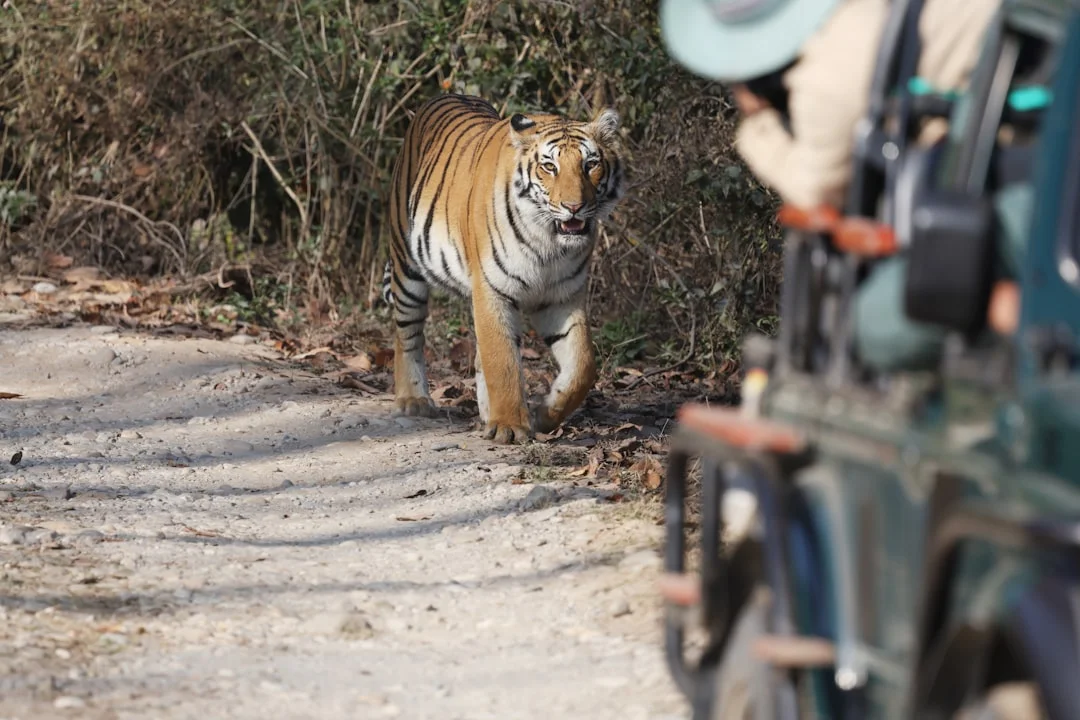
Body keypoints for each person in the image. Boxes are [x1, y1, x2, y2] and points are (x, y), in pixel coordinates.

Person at [660, 0, 1004, 372]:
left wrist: (757, 124)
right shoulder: (850, 17)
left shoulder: (826, 69)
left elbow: (814, 190)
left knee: (875, 325)